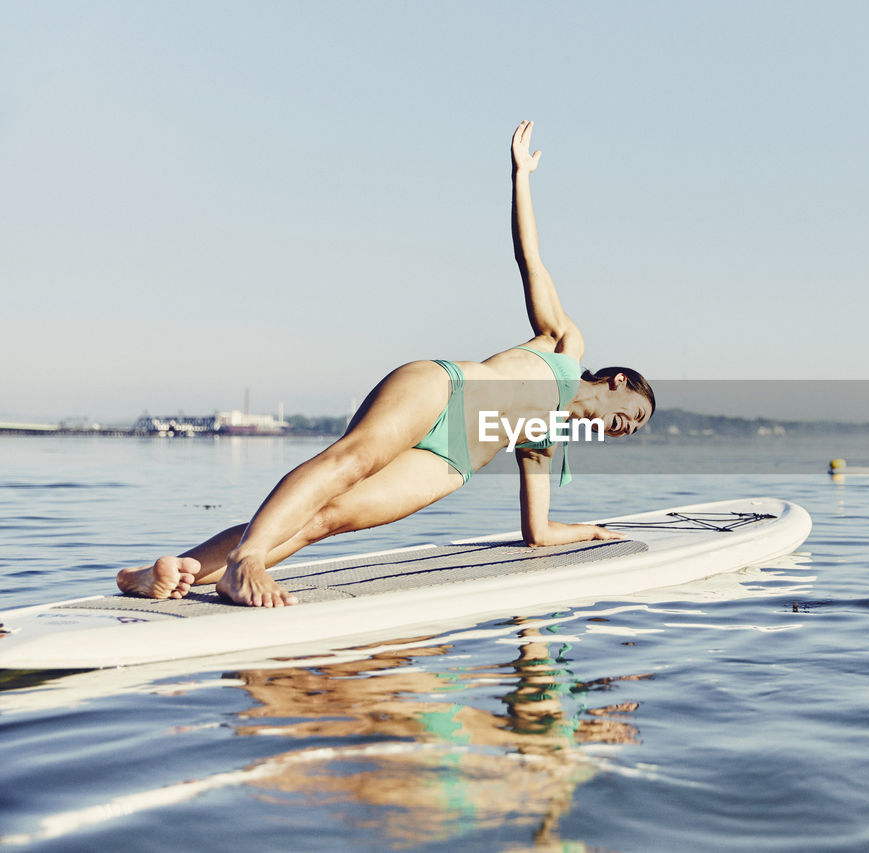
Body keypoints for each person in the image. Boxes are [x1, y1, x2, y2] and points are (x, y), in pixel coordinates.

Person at [117, 121, 655, 607]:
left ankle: (158, 574)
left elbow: (536, 532)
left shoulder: (548, 440)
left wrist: (593, 533)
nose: (625, 429)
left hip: (448, 463)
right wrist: (522, 178)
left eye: (631, 431)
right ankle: (245, 561)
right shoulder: (565, 346)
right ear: (619, 381)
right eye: (633, 415)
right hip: (445, 391)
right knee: (351, 461)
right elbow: (530, 261)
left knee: (323, 520)